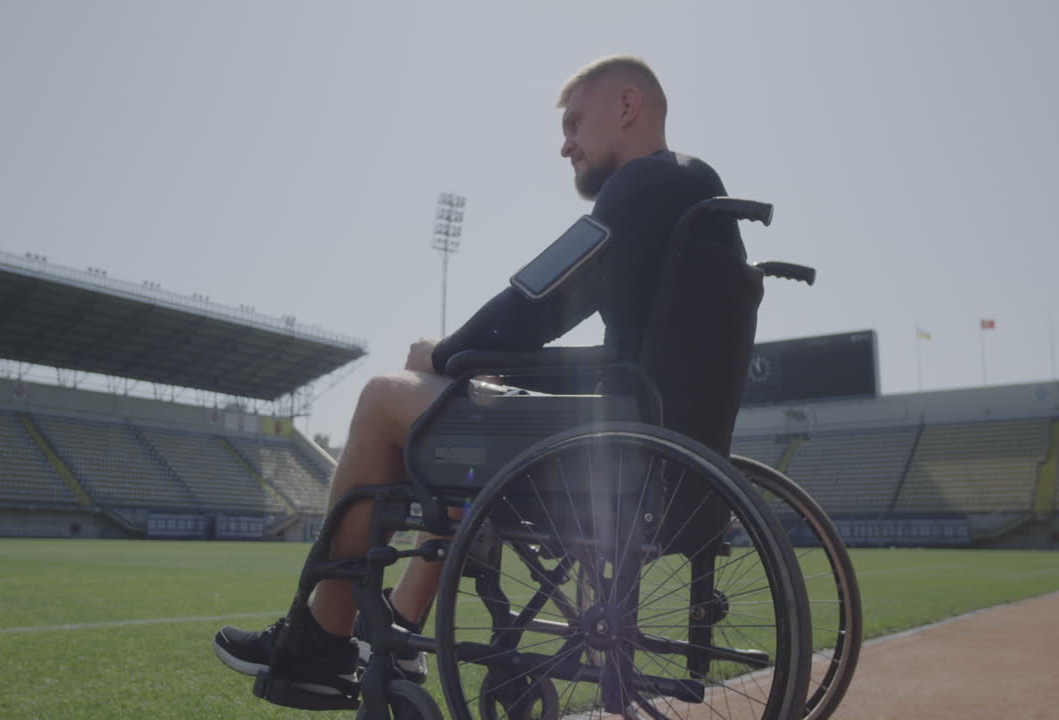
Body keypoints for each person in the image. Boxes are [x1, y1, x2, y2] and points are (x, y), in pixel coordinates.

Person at [212, 54, 749, 707]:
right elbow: (628, 359)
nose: (565, 144)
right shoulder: (700, 195)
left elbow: (540, 298)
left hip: (615, 459)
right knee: (463, 441)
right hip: (668, 458)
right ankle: (404, 631)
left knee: (386, 396)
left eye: (576, 123)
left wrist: (448, 354)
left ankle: (321, 638)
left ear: (628, 108)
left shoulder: (643, 187)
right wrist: (484, 368)